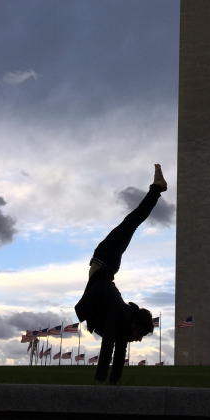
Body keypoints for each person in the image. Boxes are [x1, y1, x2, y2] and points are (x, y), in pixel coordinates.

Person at [75, 164, 168, 385]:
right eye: (141, 335)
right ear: (136, 325)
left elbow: (118, 354)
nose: (138, 340)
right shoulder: (120, 314)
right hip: (105, 259)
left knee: (132, 223)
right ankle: (157, 188)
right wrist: (100, 382)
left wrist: (113, 385)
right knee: (132, 221)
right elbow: (107, 346)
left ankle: (156, 188)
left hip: (105, 264)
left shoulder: (123, 325)